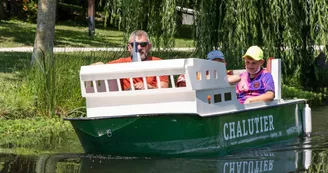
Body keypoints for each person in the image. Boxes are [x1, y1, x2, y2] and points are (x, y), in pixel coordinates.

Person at [92, 30, 169, 90]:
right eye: (134, 45)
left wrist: (148, 87)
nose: (139, 48)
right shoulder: (121, 62)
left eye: (143, 44)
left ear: (149, 46)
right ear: (129, 47)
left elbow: (164, 90)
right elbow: (97, 66)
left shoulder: (159, 63)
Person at [176, 50, 241, 87]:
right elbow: (182, 83)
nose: (217, 66)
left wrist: (219, 77)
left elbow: (237, 78)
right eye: (214, 63)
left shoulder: (225, 74)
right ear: (207, 65)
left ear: (225, 64)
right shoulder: (201, 73)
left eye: (220, 63)